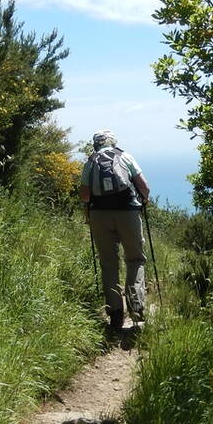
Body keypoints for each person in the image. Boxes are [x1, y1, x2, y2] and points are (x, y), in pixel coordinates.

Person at [79, 130, 151, 330]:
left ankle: (115, 315)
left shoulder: (91, 161)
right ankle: (136, 308)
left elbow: (84, 195)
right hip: (127, 213)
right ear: (113, 142)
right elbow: (144, 186)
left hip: (99, 215)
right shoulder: (124, 156)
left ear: (96, 144)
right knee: (135, 259)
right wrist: (144, 199)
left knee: (109, 264)